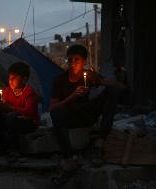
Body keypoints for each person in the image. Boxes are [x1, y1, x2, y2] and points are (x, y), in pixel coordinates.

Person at [50, 44, 125, 175]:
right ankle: (68, 156)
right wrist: (73, 96)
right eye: (70, 60)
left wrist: (99, 80)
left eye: (77, 60)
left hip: (87, 114)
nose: (72, 63)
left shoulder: (88, 76)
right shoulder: (60, 80)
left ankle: (100, 141)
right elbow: (52, 108)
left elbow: (117, 86)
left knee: (111, 91)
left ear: (84, 62)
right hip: (70, 117)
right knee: (57, 112)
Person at [0, 62, 40, 155]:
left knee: (11, 117)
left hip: (28, 122)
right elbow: (2, 109)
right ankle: (0, 145)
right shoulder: (8, 91)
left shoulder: (29, 92)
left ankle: (14, 149)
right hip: (11, 121)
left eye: (13, 78)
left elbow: (29, 112)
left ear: (24, 79)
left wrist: (10, 108)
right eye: (9, 78)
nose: (10, 81)